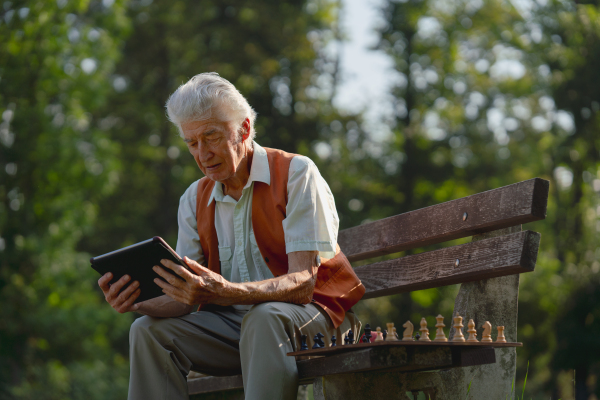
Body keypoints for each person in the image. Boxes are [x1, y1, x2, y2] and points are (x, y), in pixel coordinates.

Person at [97, 72, 365, 400]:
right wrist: (136, 300)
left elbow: (304, 284)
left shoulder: (297, 174)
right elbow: (183, 300)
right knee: (147, 331)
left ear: (244, 130)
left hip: (319, 322)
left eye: (211, 136)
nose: (202, 154)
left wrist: (226, 292)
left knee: (263, 318)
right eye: (191, 143)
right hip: (239, 331)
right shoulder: (193, 199)